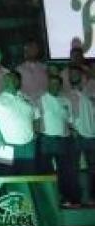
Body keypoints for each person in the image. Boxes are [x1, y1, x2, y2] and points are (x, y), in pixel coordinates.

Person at [0, 72, 39, 175]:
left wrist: (35, 133)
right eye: (6, 79)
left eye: (12, 79)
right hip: (4, 145)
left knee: (27, 176)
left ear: (18, 82)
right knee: (4, 177)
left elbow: (37, 117)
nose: (8, 81)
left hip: (28, 145)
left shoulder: (27, 99)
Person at [39, 74, 79, 207]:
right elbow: (35, 118)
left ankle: (65, 198)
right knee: (47, 172)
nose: (54, 86)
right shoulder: (41, 99)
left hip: (64, 139)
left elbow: (70, 121)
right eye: (52, 83)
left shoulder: (66, 101)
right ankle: (48, 200)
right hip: (47, 139)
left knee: (65, 171)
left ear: (60, 86)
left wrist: (73, 132)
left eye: (57, 83)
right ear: (48, 84)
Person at [67, 66, 95, 205]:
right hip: (75, 135)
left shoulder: (91, 90)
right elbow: (66, 115)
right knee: (73, 169)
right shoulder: (66, 94)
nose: (73, 76)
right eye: (71, 74)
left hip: (92, 135)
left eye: (76, 73)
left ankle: (92, 198)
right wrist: (71, 128)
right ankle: (76, 199)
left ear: (83, 76)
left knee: (93, 169)